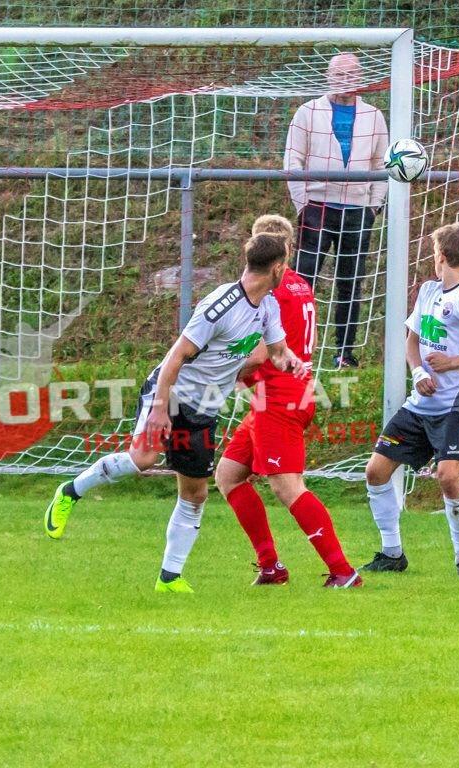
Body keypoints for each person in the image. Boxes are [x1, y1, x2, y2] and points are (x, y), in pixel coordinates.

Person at [43, 233, 308, 593]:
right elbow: (176, 355)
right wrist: (157, 408)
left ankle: (169, 578)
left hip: (204, 406)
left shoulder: (269, 305)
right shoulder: (221, 305)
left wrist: (290, 360)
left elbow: (275, 352)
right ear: (277, 268)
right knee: (142, 459)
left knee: (195, 493)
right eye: (286, 264)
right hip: (170, 393)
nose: (287, 270)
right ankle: (71, 490)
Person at [215, 215, 361, 589]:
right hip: (286, 392)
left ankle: (343, 571)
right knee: (229, 475)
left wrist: (221, 375)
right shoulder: (299, 285)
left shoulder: (271, 293)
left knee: (287, 486)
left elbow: (260, 352)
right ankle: (271, 566)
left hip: (278, 395)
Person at [360, 223, 459, 577]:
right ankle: (392, 554)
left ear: (440, 256)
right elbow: (411, 342)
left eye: (434, 252)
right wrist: (419, 373)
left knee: (447, 477)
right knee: (376, 472)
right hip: (419, 405)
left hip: (456, 408)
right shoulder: (428, 291)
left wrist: (453, 362)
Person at [284, 52, 388, 370]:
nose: (346, 79)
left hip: (358, 211)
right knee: (303, 281)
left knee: (350, 283)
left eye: (352, 74)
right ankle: (295, 350)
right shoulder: (308, 112)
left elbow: (381, 164)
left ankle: (345, 354)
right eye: (340, 74)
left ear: (361, 77)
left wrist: (373, 206)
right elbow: (293, 161)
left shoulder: (374, 116)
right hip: (317, 207)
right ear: (328, 77)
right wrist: (304, 205)